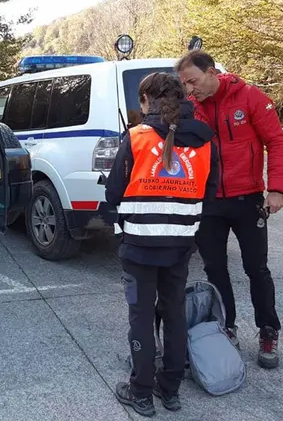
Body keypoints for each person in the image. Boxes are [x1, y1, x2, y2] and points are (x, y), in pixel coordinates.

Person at [106, 72, 218, 416]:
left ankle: (140, 392)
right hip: (180, 244)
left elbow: (113, 192)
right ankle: (169, 390)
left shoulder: (137, 137)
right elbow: (209, 193)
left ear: (146, 101)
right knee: (174, 315)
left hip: (139, 245)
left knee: (140, 317)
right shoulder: (204, 140)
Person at [175, 49, 283, 369]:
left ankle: (268, 330)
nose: (189, 89)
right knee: (215, 269)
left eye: (193, 81)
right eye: (184, 84)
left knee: (256, 269)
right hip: (208, 201)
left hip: (248, 198)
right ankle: (226, 326)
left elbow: (276, 141)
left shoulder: (249, 97)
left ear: (211, 72)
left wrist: (276, 189)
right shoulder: (191, 108)